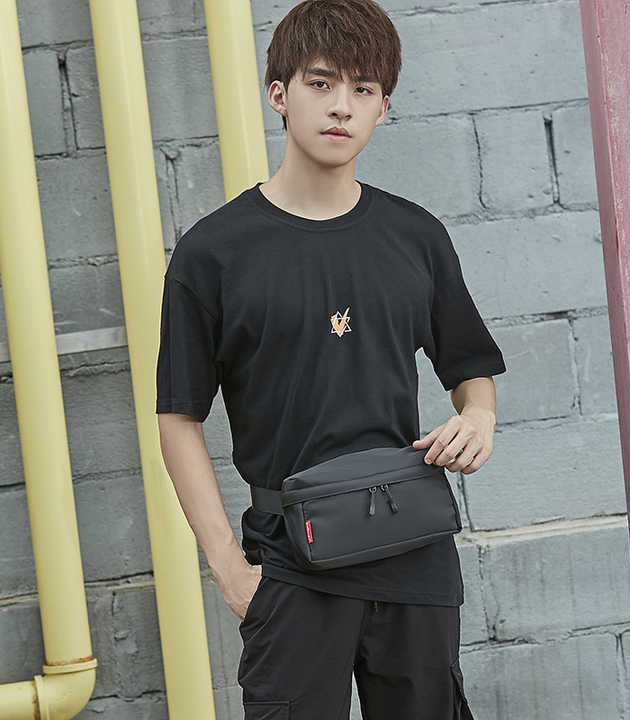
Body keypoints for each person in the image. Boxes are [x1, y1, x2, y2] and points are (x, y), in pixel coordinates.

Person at [155, 1, 506, 718]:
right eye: (320, 84)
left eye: (362, 89)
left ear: (383, 108)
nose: (341, 106)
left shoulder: (416, 236)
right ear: (279, 94)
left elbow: (470, 369)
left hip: (413, 553)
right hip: (290, 564)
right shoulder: (214, 253)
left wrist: (479, 416)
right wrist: (228, 568)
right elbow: (177, 417)